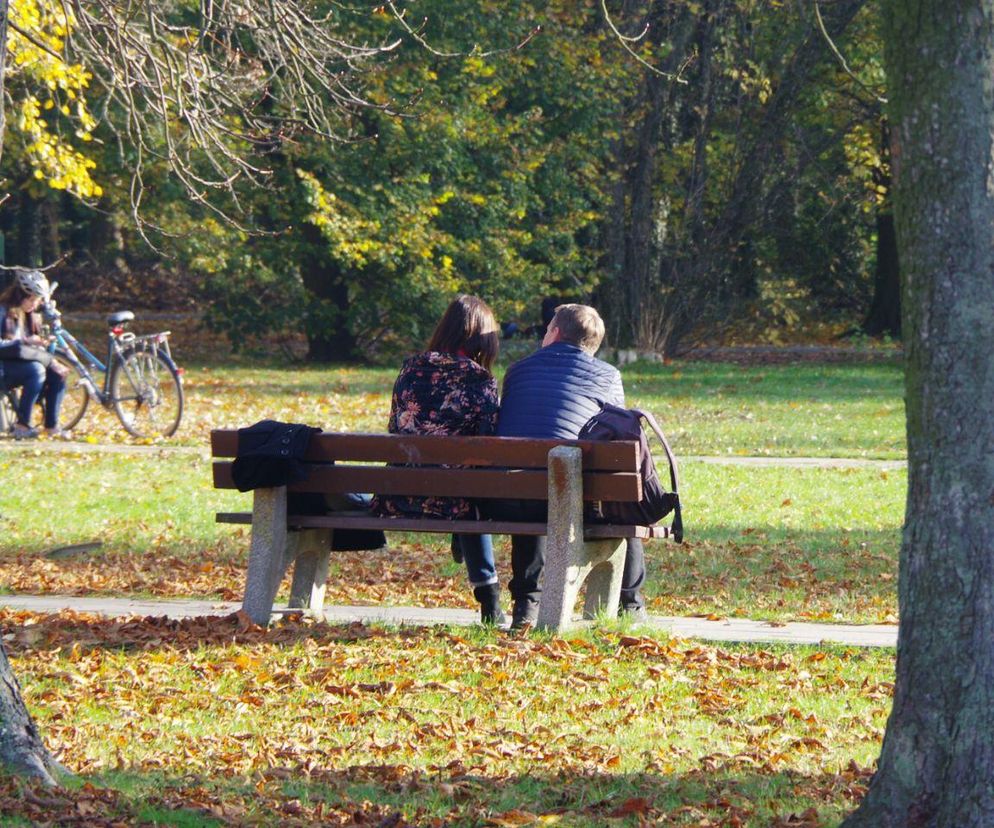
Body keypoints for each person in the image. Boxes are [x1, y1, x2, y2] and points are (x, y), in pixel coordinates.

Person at [492, 303, 648, 628]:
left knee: (535, 483)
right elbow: (617, 437)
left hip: (509, 498)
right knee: (618, 502)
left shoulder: (517, 371)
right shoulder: (607, 375)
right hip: (570, 502)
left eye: (547, 328)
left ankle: (526, 606)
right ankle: (630, 607)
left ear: (555, 333)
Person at [372, 295, 505, 623]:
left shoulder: (410, 369)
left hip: (401, 492)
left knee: (461, 486)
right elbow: (487, 443)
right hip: (457, 501)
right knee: (471, 495)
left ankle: (460, 534)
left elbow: (396, 426)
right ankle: (490, 602)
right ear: (481, 337)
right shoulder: (479, 379)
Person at [0, 269, 68, 439]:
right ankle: (22, 425)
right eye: (30, 299)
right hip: (3, 365)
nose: (33, 304)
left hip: (18, 361)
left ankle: (51, 426)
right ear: (19, 296)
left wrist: (42, 343)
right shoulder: (3, 312)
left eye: (36, 300)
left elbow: (28, 348)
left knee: (58, 374)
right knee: (35, 370)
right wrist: (25, 341)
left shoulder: (31, 315)